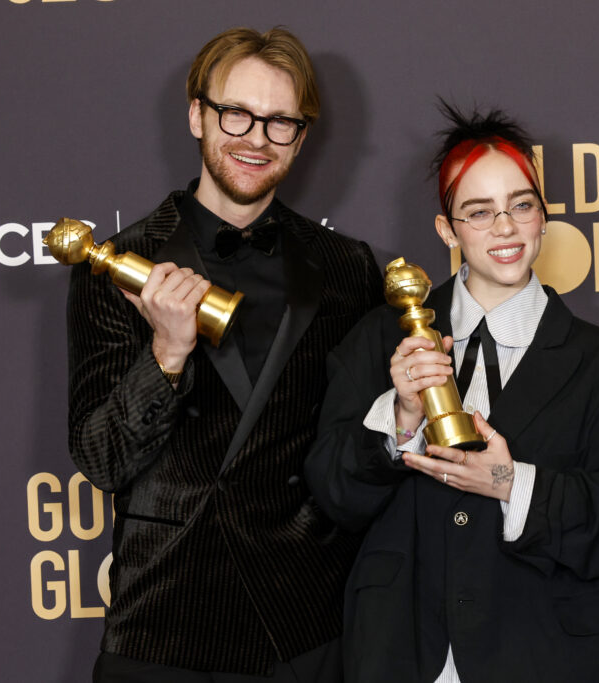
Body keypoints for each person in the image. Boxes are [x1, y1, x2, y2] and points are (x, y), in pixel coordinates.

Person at [304, 105, 599, 682]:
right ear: (447, 230)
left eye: (521, 205)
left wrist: (509, 484)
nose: (505, 228)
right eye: (479, 212)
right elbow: (332, 493)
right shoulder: (381, 338)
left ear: (543, 219)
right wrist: (401, 416)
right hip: (401, 653)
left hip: (549, 656)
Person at [66, 27, 382, 681]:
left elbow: (359, 444)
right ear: (196, 114)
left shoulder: (347, 269)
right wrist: (166, 354)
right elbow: (101, 458)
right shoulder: (118, 265)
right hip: (163, 621)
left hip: (304, 623)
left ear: (302, 134)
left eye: (279, 122)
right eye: (236, 113)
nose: (255, 138)